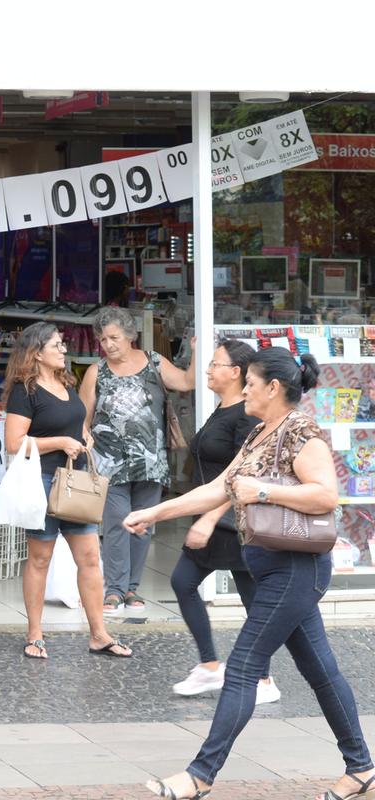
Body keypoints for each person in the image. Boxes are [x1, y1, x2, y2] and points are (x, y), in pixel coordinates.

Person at [124, 347, 374, 800]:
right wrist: (154, 511)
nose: (245, 390)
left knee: (241, 666)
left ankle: (200, 775)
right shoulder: (260, 432)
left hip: (295, 569)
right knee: (320, 668)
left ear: (273, 388)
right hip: (271, 567)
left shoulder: (302, 433)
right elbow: (216, 489)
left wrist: (263, 489)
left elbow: (326, 497)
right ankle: (361, 767)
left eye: (251, 384)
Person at [3, 322, 132, 661]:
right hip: (43, 482)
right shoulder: (24, 391)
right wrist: (60, 442)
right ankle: (35, 633)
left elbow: (76, 421)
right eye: (57, 345)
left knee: (89, 557)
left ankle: (99, 633)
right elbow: (14, 443)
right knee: (40, 558)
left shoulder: (65, 382)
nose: (63, 349)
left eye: (62, 344)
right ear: (37, 353)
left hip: (74, 484)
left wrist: (83, 435)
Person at [169, 341, 279, 705]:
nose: (208, 370)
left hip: (235, 521)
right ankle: (211, 665)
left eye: (216, 364)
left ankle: (262, 678)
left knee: (253, 598)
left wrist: (209, 516)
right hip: (217, 517)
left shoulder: (245, 417)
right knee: (184, 582)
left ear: (236, 372)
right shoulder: (223, 408)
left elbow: (240, 475)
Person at [78, 306, 196, 613]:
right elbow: (83, 418)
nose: (109, 345)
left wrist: (197, 352)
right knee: (117, 522)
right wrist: (85, 440)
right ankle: (115, 589)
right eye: (103, 339)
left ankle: (132, 588)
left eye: (114, 337)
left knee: (143, 524)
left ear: (130, 335)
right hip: (109, 462)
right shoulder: (96, 372)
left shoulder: (154, 362)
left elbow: (185, 382)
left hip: (149, 461)